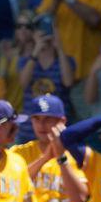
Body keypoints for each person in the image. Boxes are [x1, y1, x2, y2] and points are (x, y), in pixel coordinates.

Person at [17, 14, 75, 143]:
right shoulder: (25, 61)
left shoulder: (66, 60)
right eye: (39, 28)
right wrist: (36, 50)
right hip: (29, 130)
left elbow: (68, 81)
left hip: (57, 128)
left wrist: (59, 48)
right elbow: (23, 83)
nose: (44, 32)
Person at [36, 0, 101, 81]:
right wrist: (55, 3)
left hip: (88, 71)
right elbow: (41, 24)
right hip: (56, 70)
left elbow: (95, 19)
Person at [0, 10, 36, 113]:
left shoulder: (41, 54)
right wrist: (6, 62)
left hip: (34, 110)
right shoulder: (9, 54)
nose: (23, 29)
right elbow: (0, 83)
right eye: (19, 26)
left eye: (28, 26)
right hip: (12, 109)